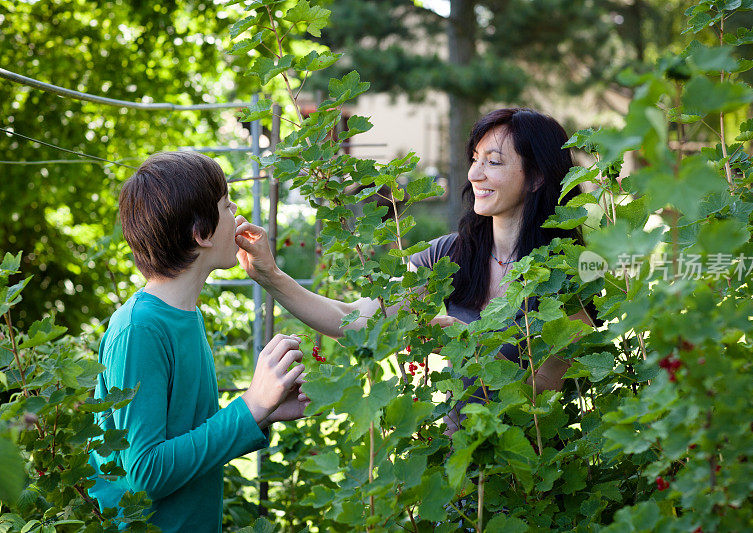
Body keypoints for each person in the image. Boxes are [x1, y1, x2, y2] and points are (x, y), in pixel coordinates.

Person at [235, 108, 593, 430]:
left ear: (536, 177)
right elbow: (358, 321)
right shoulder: (450, 253)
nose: (474, 174)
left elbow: (546, 390)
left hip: (532, 477)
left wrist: (468, 345)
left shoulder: (564, 272)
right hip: (460, 470)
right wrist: (271, 275)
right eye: (474, 159)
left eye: (493, 162)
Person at [88, 152, 309, 532]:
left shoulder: (186, 315)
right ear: (201, 234)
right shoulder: (139, 329)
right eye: (226, 204)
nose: (236, 210)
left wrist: (265, 412)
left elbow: (188, 439)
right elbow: (145, 472)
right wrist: (249, 406)